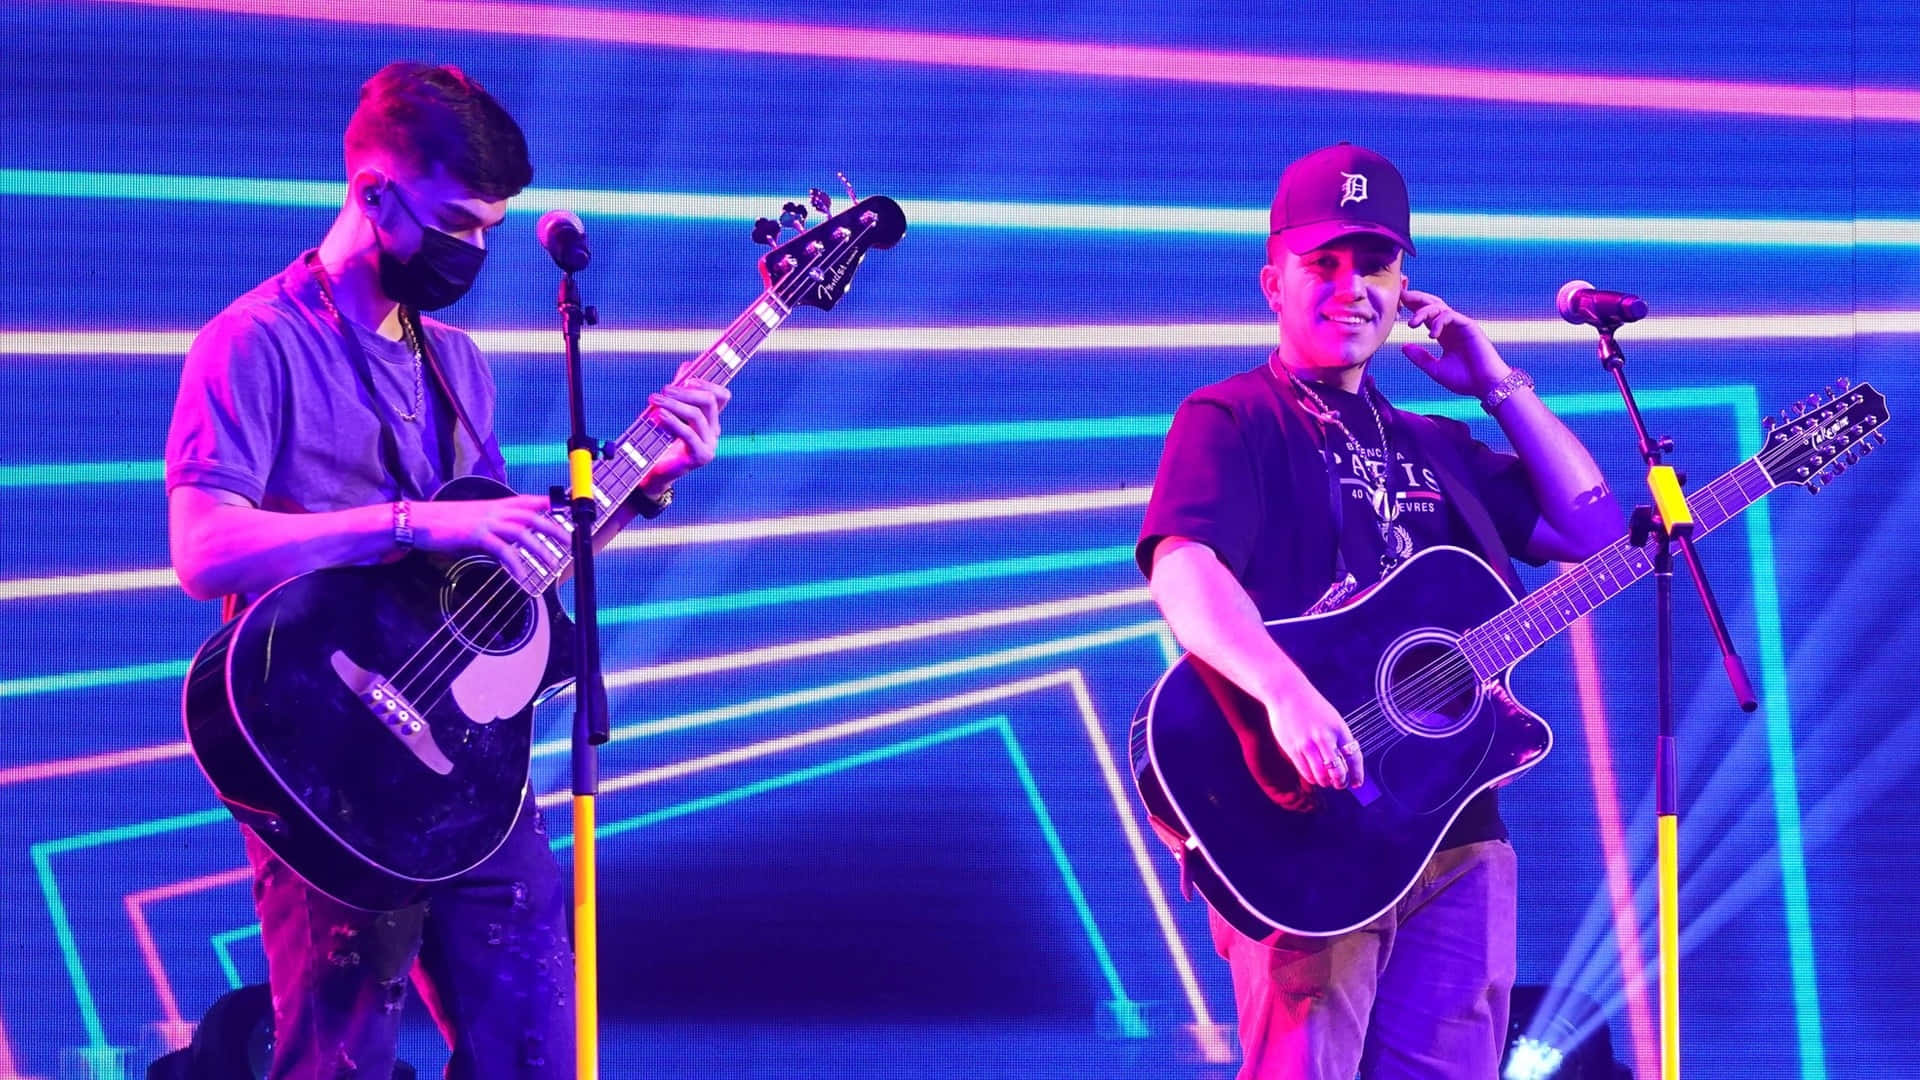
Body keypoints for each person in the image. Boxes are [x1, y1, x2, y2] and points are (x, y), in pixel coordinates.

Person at [164, 62, 729, 1078]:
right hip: (330, 757)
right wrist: (406, 523)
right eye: (456, 223)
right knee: (342, 1059)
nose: (474, 249)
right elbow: (204, 549)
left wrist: (646, 483)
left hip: (473, 772)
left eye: (491, 231)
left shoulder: (458, 364)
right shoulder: (251, 343)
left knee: (538, 1051)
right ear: (376, 193)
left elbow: (504, 579)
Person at [1136, 144, 1621, 1078]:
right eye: (1324, 264)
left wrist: (1497, 384)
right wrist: (1287, 694)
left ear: (1406, 288)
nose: (1351, 287)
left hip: (1454, 826)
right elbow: (1183, 566)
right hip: (1303, 821)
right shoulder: (1231, 416)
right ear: (1272, 283)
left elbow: (1594, 529)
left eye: (1376, 265)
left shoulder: (1440, 444)